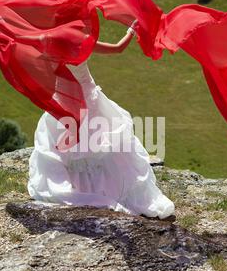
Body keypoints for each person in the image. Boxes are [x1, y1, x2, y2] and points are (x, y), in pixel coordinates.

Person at [26, 22, 176, 221]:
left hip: (63, 103)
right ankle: (108, 189)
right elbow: (118, 48)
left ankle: (79, 187)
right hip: (89, 101)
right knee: (101, 146)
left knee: (69, 150)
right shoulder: (82, 43)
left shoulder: (48, 45)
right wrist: (132, 30)